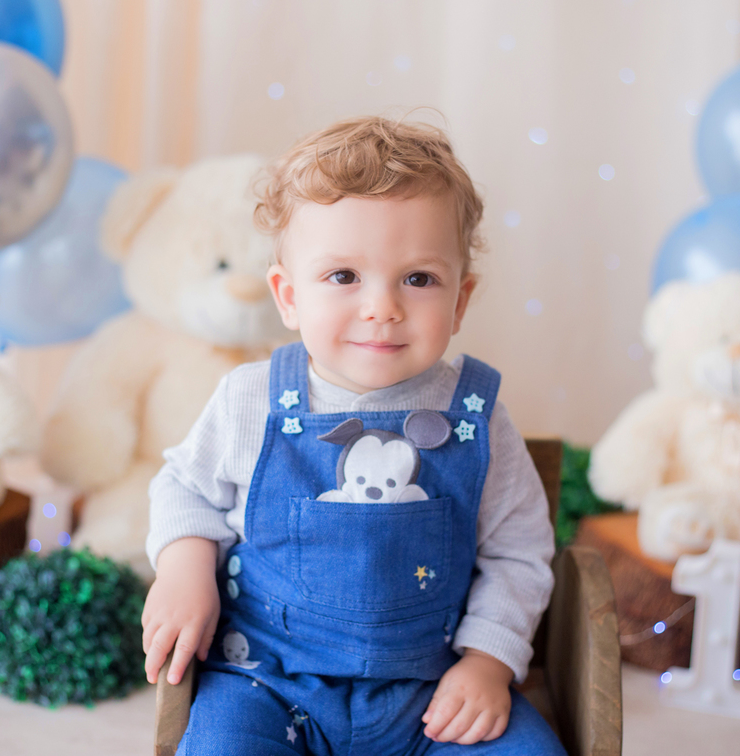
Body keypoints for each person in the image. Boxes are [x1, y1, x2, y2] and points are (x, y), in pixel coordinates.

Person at [141, 115, 565, 755]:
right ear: (287, 296)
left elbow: (519, 552)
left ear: (461, 300)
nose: (382, 307)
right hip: (267, 680)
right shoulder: (250, 398)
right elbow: (183, 488)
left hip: (432, 693)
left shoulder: (475, 414)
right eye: (344, 277)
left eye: (418, 278)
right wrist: (184, 567)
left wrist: (488, 664)